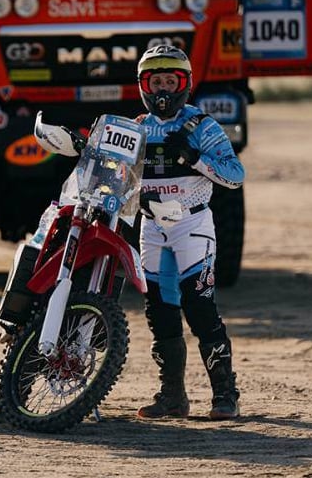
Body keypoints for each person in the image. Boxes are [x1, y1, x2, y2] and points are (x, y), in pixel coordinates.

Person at [133, 44, 245, 420]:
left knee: (200, 308)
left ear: (186, 84)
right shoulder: (136, 128)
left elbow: (235, 175)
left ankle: (225, 395)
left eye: (171, 81)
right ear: (143, 86)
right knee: (160, 312)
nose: (163, 90)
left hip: (192, 225)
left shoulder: (203, 126)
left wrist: (194, 158)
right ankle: (172, 398)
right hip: (152, 228)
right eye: (156, 82)